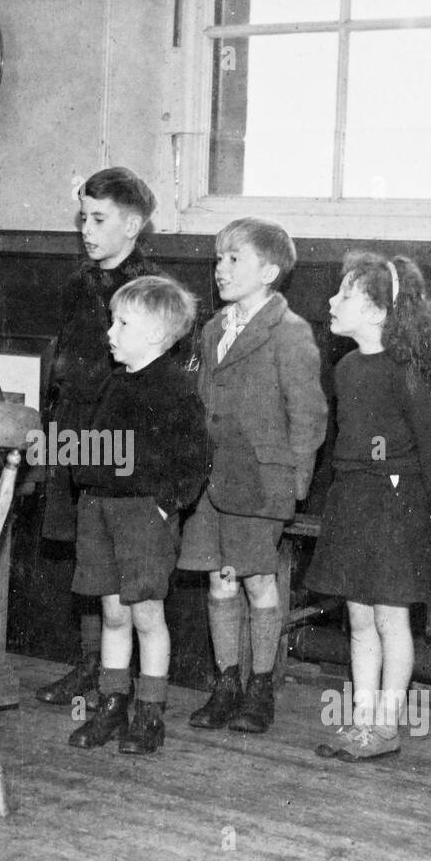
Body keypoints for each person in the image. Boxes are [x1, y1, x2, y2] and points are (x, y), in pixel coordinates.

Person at [305, 252, 431, 761]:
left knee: (392, 620)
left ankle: (387, 726)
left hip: (397, 505)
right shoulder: (346, 367)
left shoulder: (405, 372)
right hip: (353, 500)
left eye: (344, 294)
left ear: (374, 312)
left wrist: (414, 507)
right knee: (359, 618)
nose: (331, 300)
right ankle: (361, 721)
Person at [179, 217, 327, 735]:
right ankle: (227, 683)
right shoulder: (215, 327)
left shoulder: (291, 333)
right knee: (220, 580)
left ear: (269, 271)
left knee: (260, 580)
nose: (220, 269)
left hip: (262, 482)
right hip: (212, 482)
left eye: (233, 259)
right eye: (218, 258)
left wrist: (293, 485)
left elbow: (309, 418)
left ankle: (261, 688)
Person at [66, 275, 211, 754]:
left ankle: (149, 712)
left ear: (153, 335)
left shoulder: (176, 388)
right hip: (100, 511)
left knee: (147, 615)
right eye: (112, 320)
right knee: (112, 612)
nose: (111, 331)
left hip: (144, 518)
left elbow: (195, 459)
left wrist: (166, 505)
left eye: (122, 323)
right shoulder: (113, 382)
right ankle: (112, 705)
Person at [34, 167, 162, 708]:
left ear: (132, 226)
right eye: (83, 217)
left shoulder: (147, 291)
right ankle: (91, 664)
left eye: (99, 219)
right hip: (72, 432)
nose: (87, 229)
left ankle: (120, 677)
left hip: (116, 442)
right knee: (85, 553)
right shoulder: (77, 284)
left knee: (117, 561)